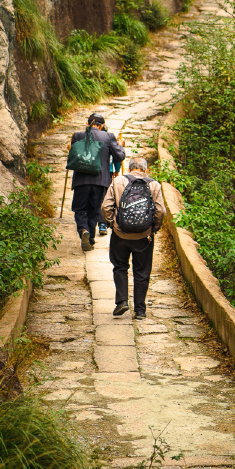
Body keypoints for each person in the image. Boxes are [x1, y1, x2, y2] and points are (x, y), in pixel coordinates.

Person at [101, 156, 165, 319]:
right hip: (144, 236)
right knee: (142, 271)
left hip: (120, 235)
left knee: (120, 266)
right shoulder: (154, 185)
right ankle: (140, 311)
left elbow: (106, 207)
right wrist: (153, 228)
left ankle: (122, 301)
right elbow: (160, 211)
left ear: (129, 169)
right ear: (145, 169)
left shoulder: (117, 182)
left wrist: (112, 224)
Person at [69, 113, 125, 252]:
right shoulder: (108, 137)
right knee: (94, 211)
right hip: (100, 181)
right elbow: (119, 156)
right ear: (102, 126)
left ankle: (83, 230)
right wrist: (120, 146)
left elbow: (73, 155)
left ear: (87, 124)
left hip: (81, 181)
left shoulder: (77, 136)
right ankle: (90, 240)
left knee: (80, 209)